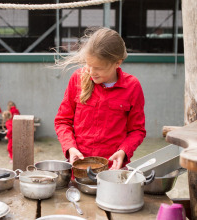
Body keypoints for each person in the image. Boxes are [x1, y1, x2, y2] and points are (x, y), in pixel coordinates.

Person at [54, 27, 146, 170]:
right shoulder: (77, 79)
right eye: (88, 65)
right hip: (79, 169)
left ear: (117, 63)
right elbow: (62, 121)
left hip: (112, 171)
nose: (91, 72)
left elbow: (137, 130)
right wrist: (70, 147)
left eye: (98, 68)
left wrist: (124, 151)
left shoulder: (132, 86)